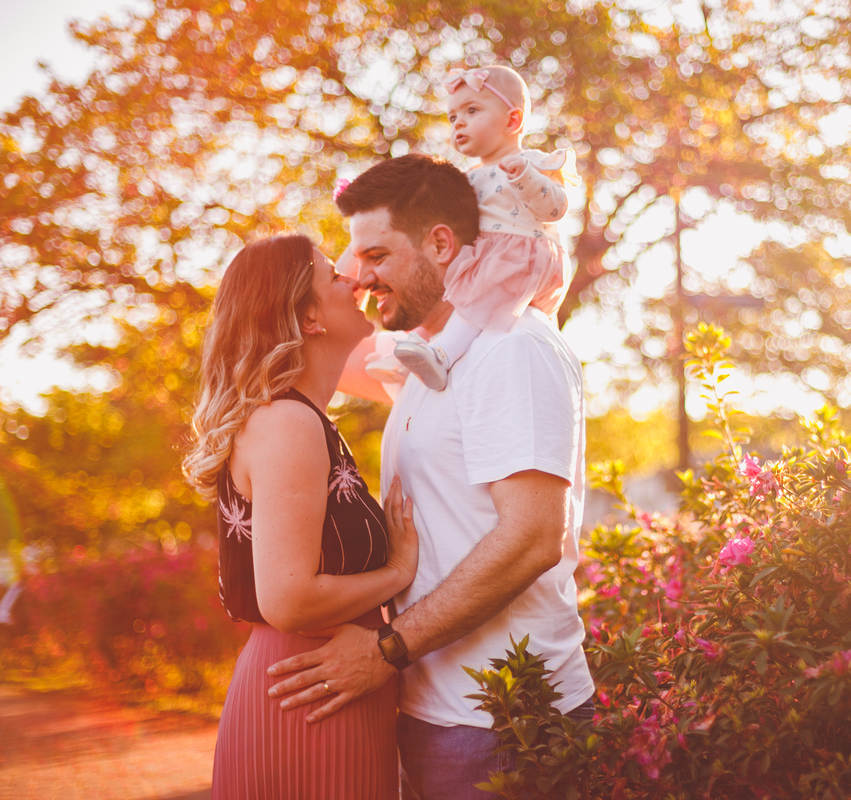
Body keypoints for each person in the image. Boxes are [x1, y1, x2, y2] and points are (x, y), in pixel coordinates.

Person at [267, 154, 594, 800]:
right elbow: (309, 347)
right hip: (431, 711)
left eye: (379, 255)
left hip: (504, 721)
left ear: (441, 243)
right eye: (356, 260)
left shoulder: (512, 348)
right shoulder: (424, 361)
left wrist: (386, 649)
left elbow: (532, 536)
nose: (362, 275)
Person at [183, 234, 420, 800]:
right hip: (309, 697)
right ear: (309, 316)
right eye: (332, 276)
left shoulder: (300, 416)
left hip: (324, 686)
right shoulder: (287, 422)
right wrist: (398, 572)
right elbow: (287, 600)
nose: (353, 280)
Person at [364, 65, 578, 392]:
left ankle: (441, 355)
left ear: (513, 121)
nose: (459, 122)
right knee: (445, 294)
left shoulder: (533, 161)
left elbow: (555, 208)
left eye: (472, 110)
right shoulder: (467, 177)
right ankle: (408, 353)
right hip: (487, 257)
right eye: (452, 118)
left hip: (523, 254)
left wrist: (525, 177)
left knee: (470, 298)